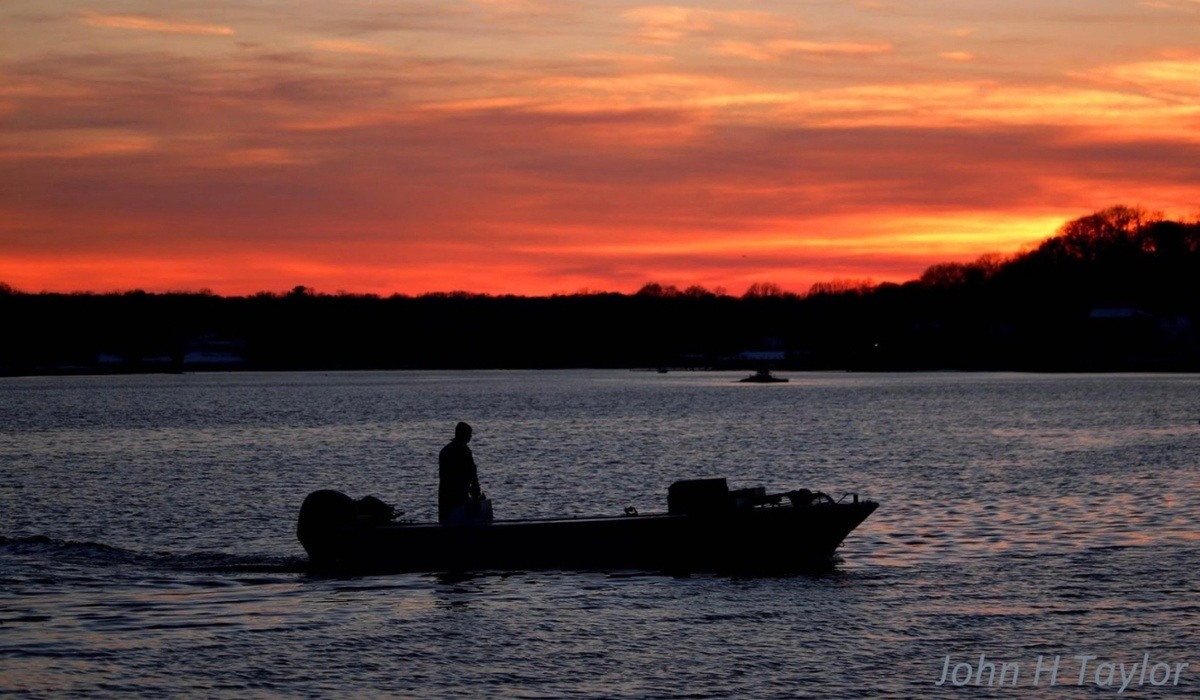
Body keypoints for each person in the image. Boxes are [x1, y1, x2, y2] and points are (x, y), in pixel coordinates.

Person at [438, 421, 489, 524]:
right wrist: (476, 495)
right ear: (463, 434)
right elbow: (472, 476)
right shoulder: (464, 452)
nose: (470, 436)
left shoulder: (445, 451)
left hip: (446, 497)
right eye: (469, 433)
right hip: (459, 497)